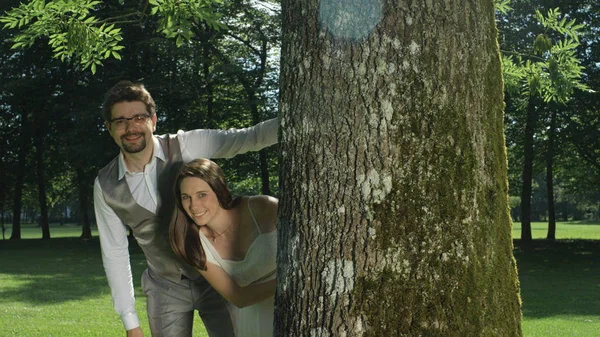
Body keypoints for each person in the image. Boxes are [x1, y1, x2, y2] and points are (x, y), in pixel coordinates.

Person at [93, 80, 278, 337]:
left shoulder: (186, 145)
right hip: (164, 285)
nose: (130, 127)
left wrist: (300, 117)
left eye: (138, 117)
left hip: (219, 275)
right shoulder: (105, 184)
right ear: (109, 127)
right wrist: (130, 323)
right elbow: (114, 252)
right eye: (120, 121)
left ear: (153, 120)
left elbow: (249, 138)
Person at [169, 158, 278, 337]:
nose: (194, 206)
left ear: (218, 190)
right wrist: (290, 282)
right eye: (186, 197)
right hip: (256, 321)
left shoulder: (263, 207)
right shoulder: (194, 244)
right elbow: (239, 298)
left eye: (201, 194)